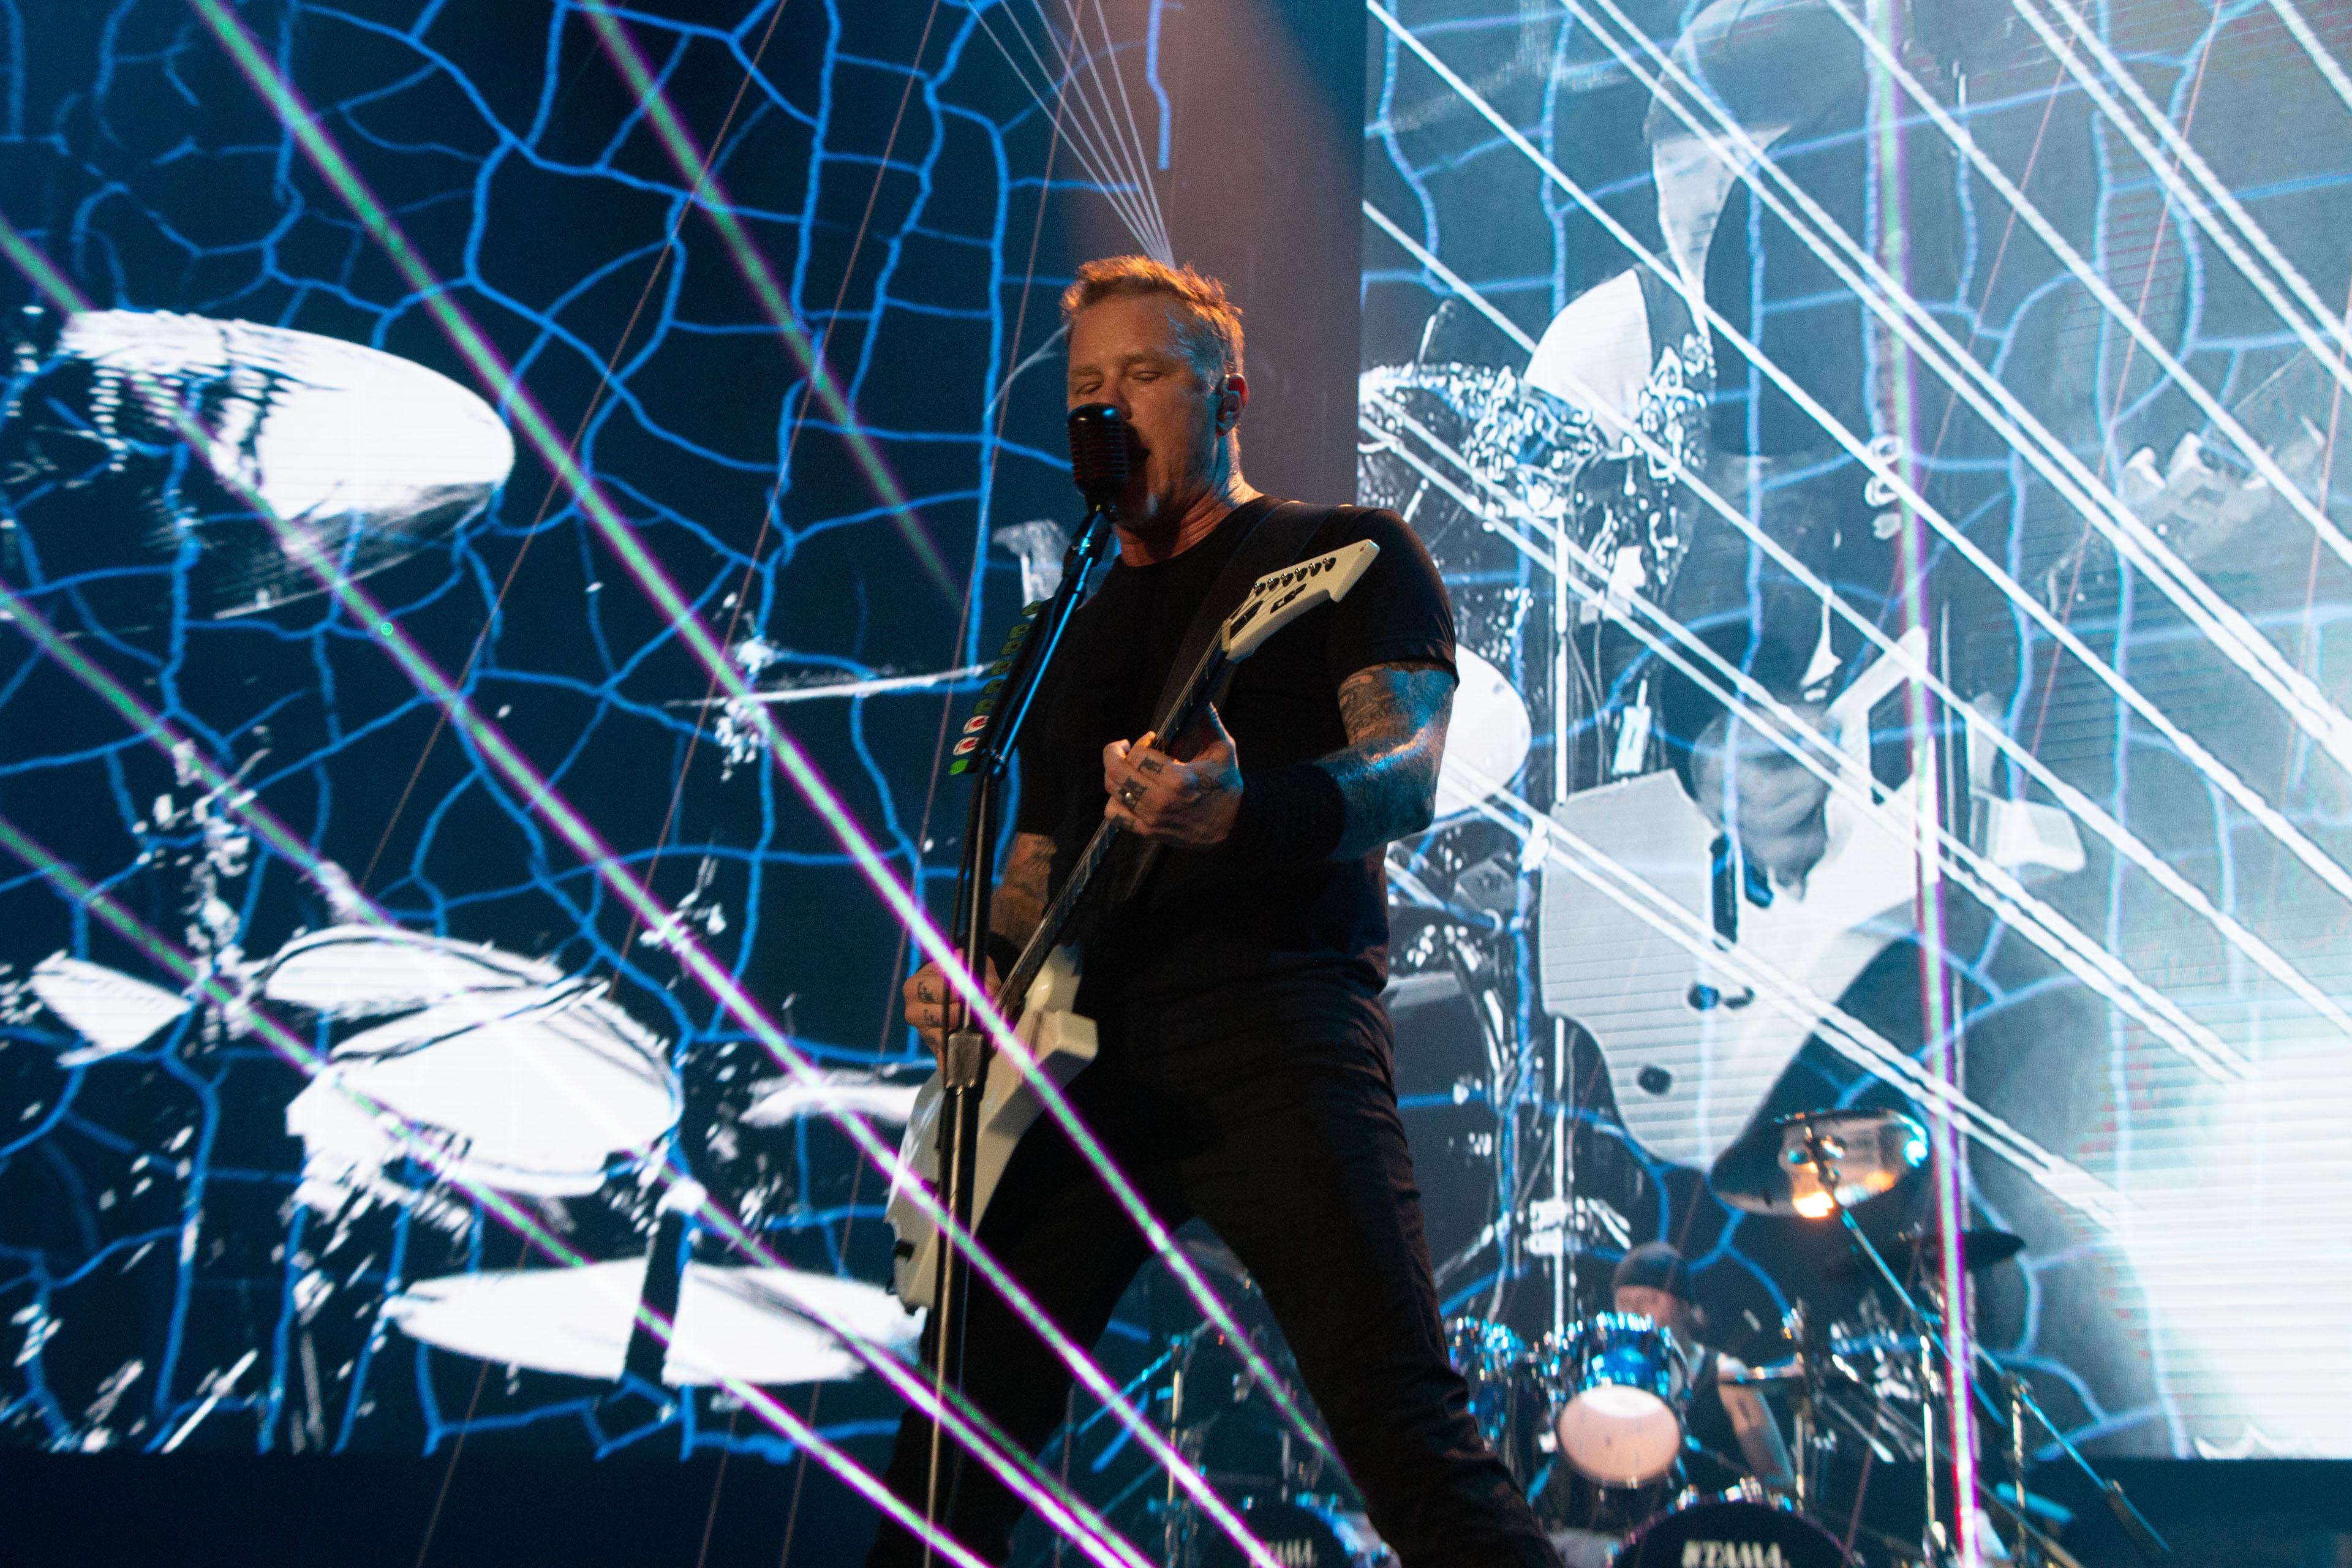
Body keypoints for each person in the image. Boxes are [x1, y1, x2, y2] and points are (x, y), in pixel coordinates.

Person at [870, 256, 1562, 1566]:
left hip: (1276, 1031)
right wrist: (980, 961)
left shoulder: (1343, 553)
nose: (1108, 404)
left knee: (1405, 1434)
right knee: (948, 1464)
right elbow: (1038, 856)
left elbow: (1404, 770)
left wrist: (1242, 812)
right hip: (1079, 1064)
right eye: (1087, 384)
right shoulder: (1069, 624)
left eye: (1144, 374)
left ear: (1228, 394)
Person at [1606, 1242, 1796, 1492]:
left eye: (1650, 1300)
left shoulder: (1726, 1376)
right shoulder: (1606, 1382)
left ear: (1686, 1309)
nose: (1634, 1313)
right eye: (1624, 1302)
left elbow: (1780, 1482)